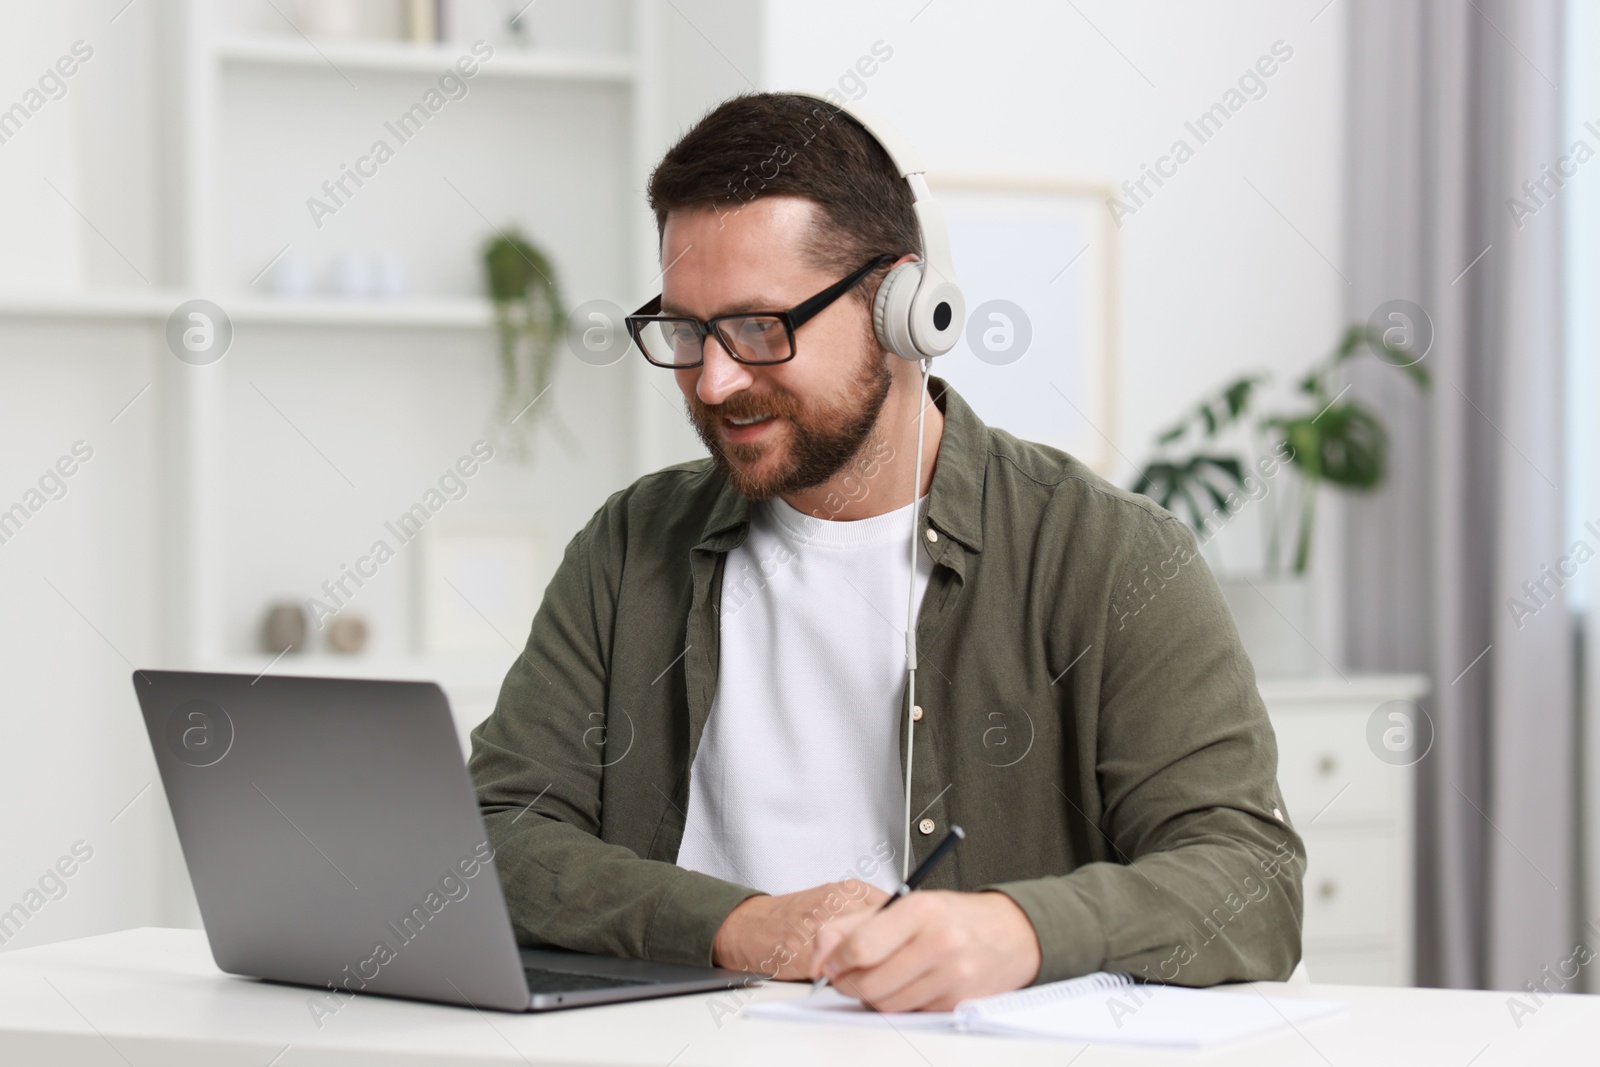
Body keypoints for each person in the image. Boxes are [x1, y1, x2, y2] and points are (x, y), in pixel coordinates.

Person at [468, 92, 1304, 1013]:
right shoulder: (631, 547)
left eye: (758, 327)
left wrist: (1017, 930)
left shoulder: (1109, 555)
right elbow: (496, 832)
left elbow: (1251, 880)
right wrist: (737, 922)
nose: (714, 379)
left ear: (906, 308)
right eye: (687, 330)